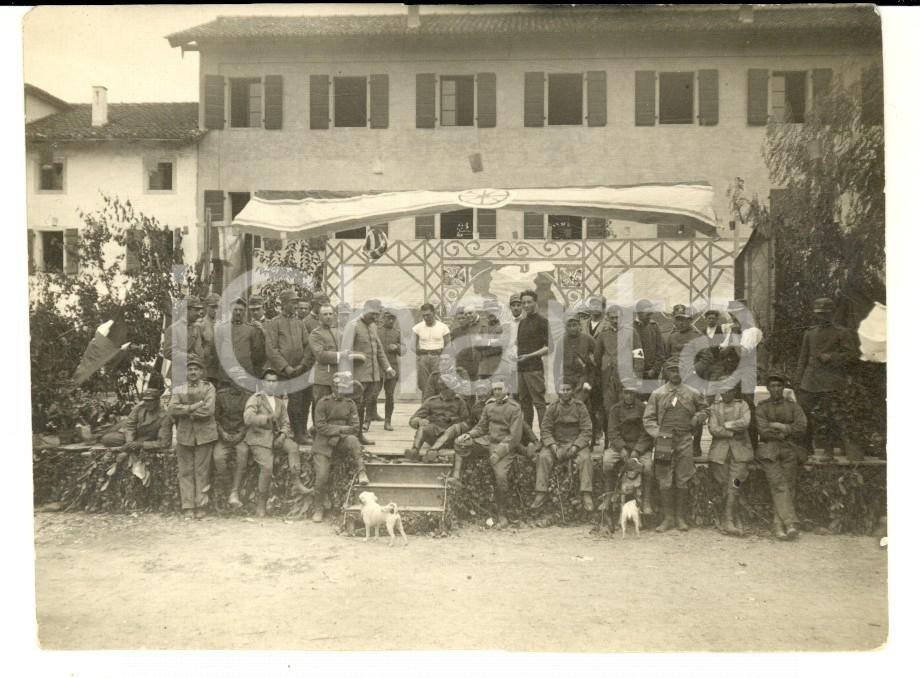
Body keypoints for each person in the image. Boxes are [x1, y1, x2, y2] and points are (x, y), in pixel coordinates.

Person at [643, 356, 709, 532]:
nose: (675, 374)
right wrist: (659, 434)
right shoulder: (657, 394)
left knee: (683, 478)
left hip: (685, 440)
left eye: (679, 370)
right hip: (664, 442)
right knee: (665, 479)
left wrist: (697, 417)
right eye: (672, 370)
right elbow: (648, 419)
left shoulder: (692, 393)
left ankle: (680, 517)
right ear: (665, 372)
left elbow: (705, 409)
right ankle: (668, 518)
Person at [794, 297, 860, 459]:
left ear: (831, 313)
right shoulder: (810, 332)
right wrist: (797, 379)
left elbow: (852, 356)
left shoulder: (841, 332)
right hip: (810, 380)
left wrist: (831, 357)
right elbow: (803, 358)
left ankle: (829, 449)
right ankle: (805, 447)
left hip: (832, 380)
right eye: (818, 314)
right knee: (802, 413)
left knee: (831, 415)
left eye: (824, 313)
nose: (821, 317)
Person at [454, 378, 524, 529]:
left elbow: (515, 437)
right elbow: (481, 427)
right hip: (487, 443)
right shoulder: (489, 406)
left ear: (507, 389)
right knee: (460, 443)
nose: (497, 392)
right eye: (495, 390)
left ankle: (502, 514)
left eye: (500, 389)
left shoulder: (515, 408)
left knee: (501, 476)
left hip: (504, 447)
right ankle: (456, 479)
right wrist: (470, 435)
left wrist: (498, 453)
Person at [242, 368, 303, 517]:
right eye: (268, 381)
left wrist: (282, 435)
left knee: (293, 447)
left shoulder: (279, 401)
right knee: (267, 467)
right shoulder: (256, 398)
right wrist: (266, 418)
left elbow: (286, 423)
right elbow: (248, 418)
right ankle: (261, 504)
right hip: (259, 438)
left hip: (276, 437)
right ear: (262, 383)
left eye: (274, 381)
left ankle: (297, 482)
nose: (271, 384)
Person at [312, 371, 370, 523]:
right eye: (337, 387)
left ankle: (362, 471)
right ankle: (318, 507)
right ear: (332, 387)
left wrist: (337, 434)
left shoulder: (350, 404)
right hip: (323, 444)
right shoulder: (322, 402)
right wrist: (340, 429)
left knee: (354, 441)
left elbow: (355, 427)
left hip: (341, 440)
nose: (339, 390)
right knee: (322, 476)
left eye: (343, 387)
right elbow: (320, 427)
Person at [755, 374, 808, 540]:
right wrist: (786, 432)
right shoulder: (762, 407)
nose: (776, 389)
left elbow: (802, 427)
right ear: (768, 388)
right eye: (773, 386)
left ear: (783, 388)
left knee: (788, 484)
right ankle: (788, 523)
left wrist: (778, 426)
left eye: (779, 385)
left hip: (789, 449)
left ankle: (778, 524)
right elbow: (763, 430)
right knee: (778, 483)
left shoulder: (793, 406)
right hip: (768, 450)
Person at [530, 379, 595, 513]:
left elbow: (587, 430)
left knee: (585, 459)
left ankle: (586, 493)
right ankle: (540, 492)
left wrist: (576, 446)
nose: (565, 393)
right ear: (558, 392)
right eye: (562, 390)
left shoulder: (580, 407)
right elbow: (545, 429)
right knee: (543, 457)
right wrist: (553, 446)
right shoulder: (552, 407)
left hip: (575, 442)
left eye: (568, 390)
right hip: (557, 443)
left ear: (572, 391)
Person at [167, 355, 218, 519]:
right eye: (190, 369)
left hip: (205, 434)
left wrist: (186, 412)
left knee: (202, 471)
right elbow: (172, 409)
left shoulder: (209, 388)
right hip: (185, 434)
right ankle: (188, 506)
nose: (193, 372)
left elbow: (209, 410)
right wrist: (194, 406)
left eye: (196, 369)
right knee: (185, 471)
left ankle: (201, 505)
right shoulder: (180, 388)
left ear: (202, 372)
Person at [264, 289, 314, 446]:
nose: (296, 305)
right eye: (293, 302)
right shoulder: (274, 323)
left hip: (299, 370)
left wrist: (303, 365)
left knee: (301, 402)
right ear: (284, 304)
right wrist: (286, 368)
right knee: (277, 403)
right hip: (282, 373)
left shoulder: (300, 323)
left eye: (296, 302)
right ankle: (279, 433)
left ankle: (300, 432)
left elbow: (307, 345)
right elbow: (271, 349)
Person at [343, 299, 395, 445]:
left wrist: (388, 368)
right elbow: (345, 352)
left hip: (373, 375)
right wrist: (349, 370)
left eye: (377, 314)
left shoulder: (372, 326)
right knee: (355, 406)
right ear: (364, 310)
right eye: (373, 314)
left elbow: (379, 350)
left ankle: (359, 435)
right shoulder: (353, 326)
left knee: (366, 404)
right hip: (358, 375)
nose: (375, 317)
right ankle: (352, 437)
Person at [707, 383, 753, 536]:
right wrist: (732, 433)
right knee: (724, 482)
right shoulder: (715, 407)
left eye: (730, 390)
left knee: (736, 482)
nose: (726, 393)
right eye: (723, 391)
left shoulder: (743, 405)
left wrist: (725, 425)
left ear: (734, 391)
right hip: (720, 454)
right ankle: (733, 515)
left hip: (740, 453)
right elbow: (713, 429)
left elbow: (745, 423)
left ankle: (728, 518)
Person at [595, 305, 644, 443]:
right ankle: (609, 441)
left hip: (626, 378)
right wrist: (601, 373)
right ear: (608, 319)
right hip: (608, 379)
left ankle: (625, 440)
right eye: (612, 318)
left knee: (625, 407)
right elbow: (597, 357)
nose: (615, 320)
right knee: (608, 409)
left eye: (618, 317)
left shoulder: (631, 332)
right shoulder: (603, 334)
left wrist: (638, 376)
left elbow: (638, 355)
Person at [603, 386, 654, 514]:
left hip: (640, 446)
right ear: (622, 394)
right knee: (607, 462)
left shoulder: (643, 408)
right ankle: (609, 495)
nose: (629, 396)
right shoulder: (615, 409)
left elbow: (647, 432)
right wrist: (621, 448)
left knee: (648, 467)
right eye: (626, 393)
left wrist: (637, 450)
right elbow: (612, 432)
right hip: (620, 447)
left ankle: (647, 501)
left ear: (635, 394)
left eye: (632, 393)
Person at [405, 378, 471, 462]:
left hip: (451, 437)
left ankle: (432, 451)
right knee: (423, 427)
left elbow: (468, 421)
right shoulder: (431, 401)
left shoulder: (460, 402)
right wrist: (419, 421)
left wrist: (455, 421)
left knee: (452, 429)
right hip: (434, 435)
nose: (455, 391)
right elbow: (413, 420)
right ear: (443, 389)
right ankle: (414, 451)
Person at [213, 380, 252, 508]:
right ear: (230, 381)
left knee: (243, 455)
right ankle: (229, 487)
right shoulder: (220, 396)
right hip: (224, 436)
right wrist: (222, 433)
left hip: (240, 435)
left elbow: (249, 420)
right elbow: (215, 418)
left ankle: (235, 491)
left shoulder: (248, 397)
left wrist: (241, 434)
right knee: (218, 458)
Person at [516, 289, 550, 429]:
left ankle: (545, 438)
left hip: (534, 369)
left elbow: (549, 348)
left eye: (529, 302)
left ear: (535, 303)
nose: (526, 305)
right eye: (523, 302)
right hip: (521, 369)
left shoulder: (542, 322)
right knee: (524, 404)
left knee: (539, 404)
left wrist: (529, 356)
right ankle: (529, 438)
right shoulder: (522, 323)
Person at [214, 298, 265, 389]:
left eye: (241, 310)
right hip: (226, 375)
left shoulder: (251, 329)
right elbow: (216, 352)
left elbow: (257, 354)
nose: (238, 312)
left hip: (246, 375)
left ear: (245, 311)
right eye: (235, 310)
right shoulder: (221, 329)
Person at [163, 295, 205, 385]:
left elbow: (199, 351)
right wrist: (187, 356)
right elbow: (167, 352)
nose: (199, 313)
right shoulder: (174, 329)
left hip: (195, 375)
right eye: (196, 310)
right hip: (178, 375)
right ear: (187, 310)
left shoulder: (195, 328)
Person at [413, 303, 452, 394]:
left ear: (434, 313)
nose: (426, 318)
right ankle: (426, 407)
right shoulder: (417, 327)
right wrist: (420, 356)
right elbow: (412, 345)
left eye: (428, 315)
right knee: (424, 385)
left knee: (438, 383)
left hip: (438, 357)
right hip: (424, 358)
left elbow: (448, 346)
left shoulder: (443, 327)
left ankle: (437, 406)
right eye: (424, 315)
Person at [559, 312, 596, 406]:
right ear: (565, 327)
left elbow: (597, 356)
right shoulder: (561, 340)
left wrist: (590, 378)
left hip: (583, 376)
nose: (572, 328)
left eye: (574, 325)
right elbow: (556, 362)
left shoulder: (587, 338)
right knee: (567, 403)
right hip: (567, 377)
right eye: (569, 325)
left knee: (580, 402)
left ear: (579, 325)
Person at [121, 386, 173, 452]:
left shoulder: (165, 416)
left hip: (149, 440)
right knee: (107, 439)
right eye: (146, 400)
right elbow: (130, 425)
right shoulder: (139, 407)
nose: (148, 404)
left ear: (158, 401)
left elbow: (165, 443)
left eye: (151, 401)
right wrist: (129, 442)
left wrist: (141, 444)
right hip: (135, 436)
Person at [377, 309, 403, 431]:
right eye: (389, 318)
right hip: (377, 368)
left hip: (392, 368)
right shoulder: (376, 331)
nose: (391, 321)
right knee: (372, 395)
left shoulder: (397, 333)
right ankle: (367, 419)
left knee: (390, 396)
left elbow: (404, 350)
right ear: (383, 319)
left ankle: (388, 421)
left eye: (393, 319)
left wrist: (397, 347)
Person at [633, 299, 666, 387]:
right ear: (639, 313)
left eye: (651, 314)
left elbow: (660, 352)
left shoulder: (654, 327)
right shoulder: (630, 327)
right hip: (634, 374)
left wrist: (655, 370)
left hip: (651, 374)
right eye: (647, 314)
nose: (649, 317)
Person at [475, 300, 506, 385]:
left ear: (498, 311)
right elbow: (476, 345)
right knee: (484, 393)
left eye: (494, 311)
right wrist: (493, 341)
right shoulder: (483, 327)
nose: (491, 313)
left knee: (499, 392)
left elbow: (501, 345)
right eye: (488, 311)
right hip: (484, 367)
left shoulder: (503, 326)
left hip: (498, 366)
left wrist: (485, 343)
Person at [247, 295, 268, 376]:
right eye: (252, 310)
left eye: (258, 309)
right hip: (251, 367)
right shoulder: (247, 326)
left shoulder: (271, 324)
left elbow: (274, 343)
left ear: (263, 309)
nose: (255, 312)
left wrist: (262, 329)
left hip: (267, 366)